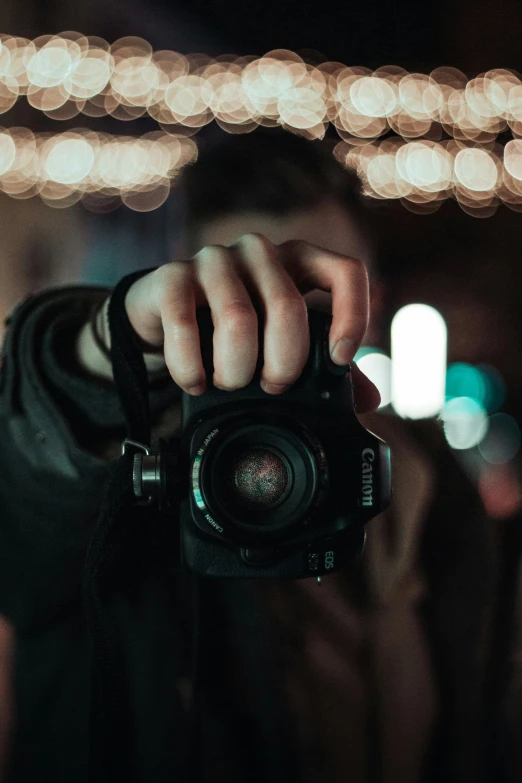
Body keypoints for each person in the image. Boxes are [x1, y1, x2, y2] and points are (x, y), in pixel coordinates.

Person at [0, 128, 503, 783]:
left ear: (369, 298)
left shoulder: (439, 494)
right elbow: (27, 521)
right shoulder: (121, 480)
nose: (280, 331)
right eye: (239, 300)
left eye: (313, 301)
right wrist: (106, 352)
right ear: (182, 287)